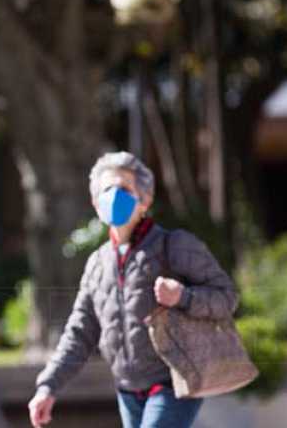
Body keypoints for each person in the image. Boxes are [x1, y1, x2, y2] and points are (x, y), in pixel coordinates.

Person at [28, 151, 238, 428]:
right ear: (95, 203)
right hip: (127, 391)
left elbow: (227, 297)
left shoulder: (174, 245)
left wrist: (183, 297)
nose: (115, 196)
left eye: (125, 188)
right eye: (107, 190)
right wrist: (47, 387)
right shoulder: (97, 265)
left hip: (174, 382)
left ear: (145, 200)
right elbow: (79, 333)